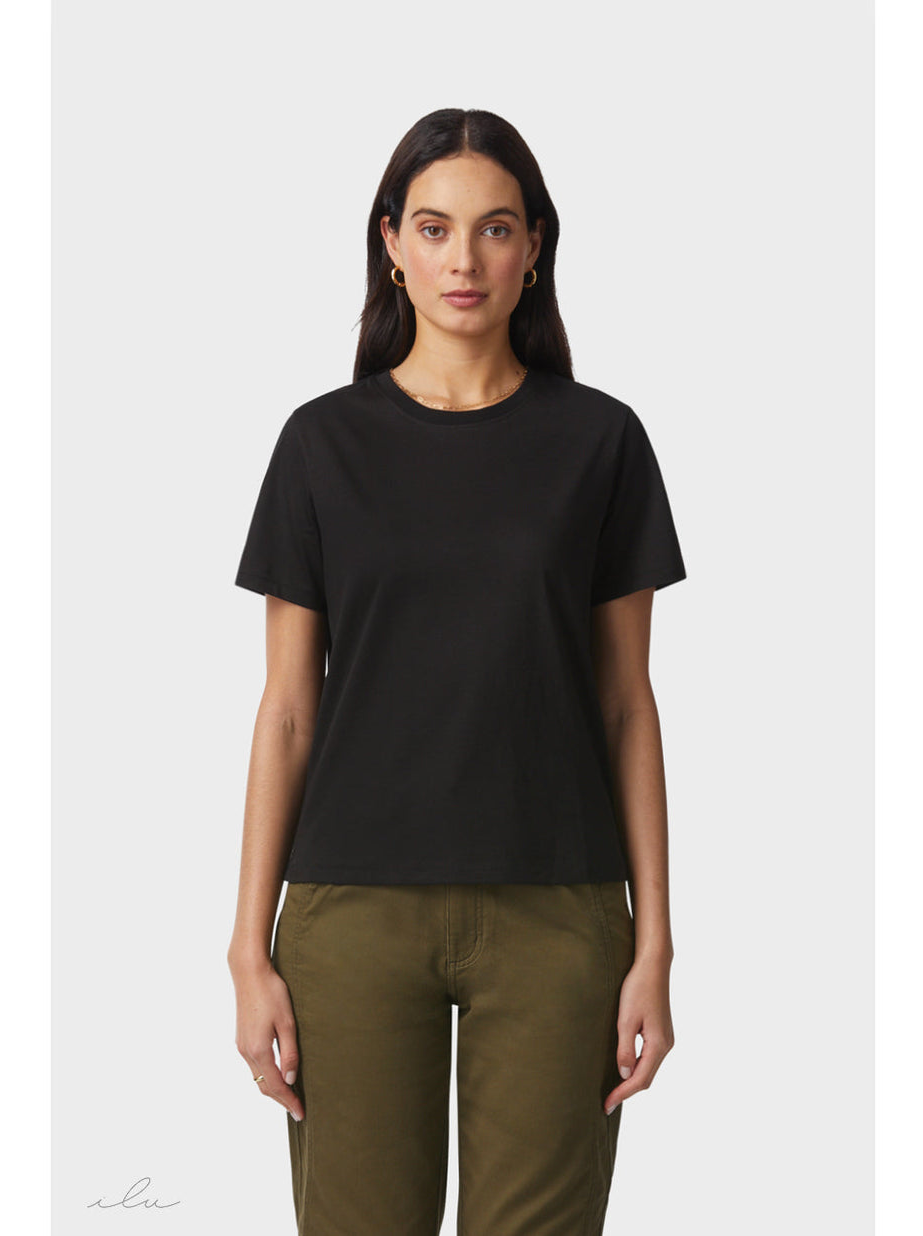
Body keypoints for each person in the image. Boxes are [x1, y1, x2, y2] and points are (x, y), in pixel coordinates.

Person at [227, 107, 686, 1236]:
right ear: (390, 242)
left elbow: (626, 708)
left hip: (559, 913)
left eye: (495, 228)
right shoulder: (320, 444)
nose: (463, 260)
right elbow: (286, 714)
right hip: (350, 915)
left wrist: (656, 944)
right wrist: (247, 948)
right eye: (433, 228)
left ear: (535, 247)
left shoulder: (601, 443)